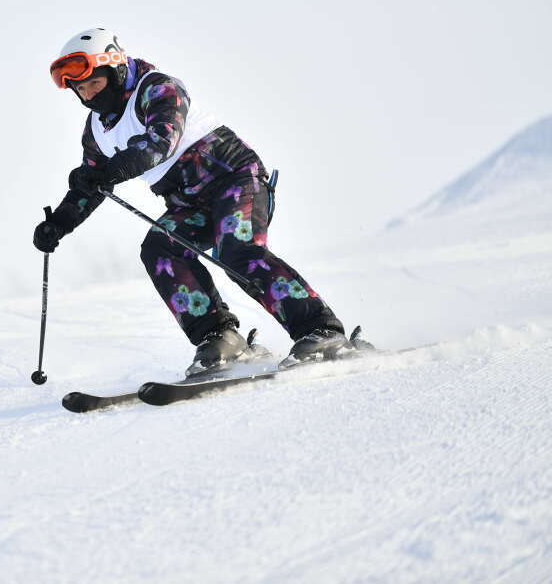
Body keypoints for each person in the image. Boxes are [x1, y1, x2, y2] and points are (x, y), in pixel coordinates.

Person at [33, 27, 352, 377]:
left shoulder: (157, 88)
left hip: (234, 178)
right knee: (160, 249)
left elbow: (160, 142)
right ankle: (219, 337)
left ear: (116, 69)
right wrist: (59, 224)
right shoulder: (96, 129)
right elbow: (90, 184)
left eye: (95, 83)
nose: (90, 94)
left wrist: (108, 171)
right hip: (189, 202)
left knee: (236, 249)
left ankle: (321, 331)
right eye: (81, 89)